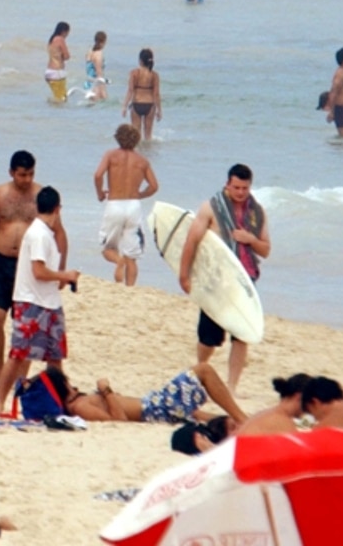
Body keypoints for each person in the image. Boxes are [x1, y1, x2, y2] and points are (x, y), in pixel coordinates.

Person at [178, 164, 270, 393]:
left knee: (241, 335)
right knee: (209, 337)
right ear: (227, 184)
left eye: (245, 188)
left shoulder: (257, 213)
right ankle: (201, 370)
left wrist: (250, 239)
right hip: (215, 279)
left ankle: (231, 387)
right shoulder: (211, 208)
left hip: (244, 279)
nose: (240, 192)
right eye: (236, 187)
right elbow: (192, 240)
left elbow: (266, 250)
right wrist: (184, 273)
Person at [0, 151, 64, 382]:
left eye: (31, 174)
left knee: (23, 325)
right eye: (22, 175)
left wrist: (61, 270)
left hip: (27, 267)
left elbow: (59, 232)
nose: (26, 179)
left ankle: (19, 375)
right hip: (0, 261)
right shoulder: (0, 193)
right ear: (11, 172)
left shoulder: (41, 196)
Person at [0, 186, 78, 414]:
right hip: (31, 302)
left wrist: (60, 277)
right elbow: (39, 271)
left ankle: (58, 401)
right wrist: (65, 275)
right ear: (58, 209)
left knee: (55, 356)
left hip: (50, 302)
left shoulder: (45, 234)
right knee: (19, 354)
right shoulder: (38, 233)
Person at [56, 363, 248, 425]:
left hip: (154, 404)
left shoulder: (80, 401)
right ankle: (241, 419)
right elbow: (118, 421)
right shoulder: (79, 407)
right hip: (154, 410)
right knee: (203, 370)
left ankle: (237, 421)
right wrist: (107, 392)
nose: (72, 384)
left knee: (202, 416)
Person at [92, 124, 158, 286]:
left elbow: (98, 175)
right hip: (134, 206)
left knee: (108, 248)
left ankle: (118, 261)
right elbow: (154, 186)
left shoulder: (111, 155)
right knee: (132, 255)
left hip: (115, 204)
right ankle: (130, 288)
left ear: (118, 138)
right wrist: (140, 195)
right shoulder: (142, 161)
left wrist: (100, 193)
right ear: (136, 140)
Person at [121, 48, 161, 141]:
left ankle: (137, 153)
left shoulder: (134, 73)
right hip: (150, 105)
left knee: (136, 135)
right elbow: (156, 94)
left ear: (140, 61)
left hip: (136, 104)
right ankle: (148, 154)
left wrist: (124, 106)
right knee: (148, 136)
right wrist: (159, 110)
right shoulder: (154, 75)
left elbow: (130, 91)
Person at [45, 21, 69, 103]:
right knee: (63, 98)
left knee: (56, 97)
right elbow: (67, 56)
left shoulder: (51, 40)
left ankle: (52, 113)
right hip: (57, 72)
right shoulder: (60, 39)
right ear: (64, 31)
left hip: (49, 72)